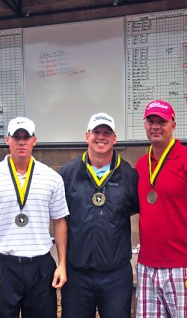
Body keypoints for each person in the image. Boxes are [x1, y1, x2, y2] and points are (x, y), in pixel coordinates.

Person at [0, 117, 69, 318]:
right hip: (2, 266)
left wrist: (62, 263)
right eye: (16, 137)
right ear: (7, 140)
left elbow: (60, 221)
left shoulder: (52, 178)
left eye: (26, 137)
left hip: (40, 266)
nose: (21, 142)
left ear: (34, 140)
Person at [135, 100, 187, 317]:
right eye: (150, 121)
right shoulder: (141, 165)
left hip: (183, 266)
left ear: (173, 124)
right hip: (147, 266)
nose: (155, 126)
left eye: (161, 121)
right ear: (144, 124)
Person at [60, 112, 139, 318]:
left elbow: (132, 208)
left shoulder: (128, 174)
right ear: (87, 135)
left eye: (107, 132)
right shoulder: (68, 173)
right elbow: (61, 217)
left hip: (115, 274)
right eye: (96, 132)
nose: (101, 137)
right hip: (77, 273)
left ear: (114, 138)